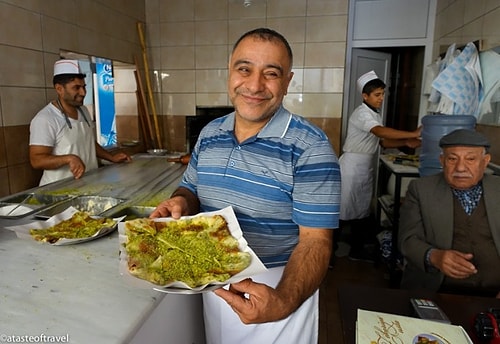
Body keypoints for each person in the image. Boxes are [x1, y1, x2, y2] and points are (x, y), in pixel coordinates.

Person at [150, 28, 341, 343]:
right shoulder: (210, 133)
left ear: (288, 81)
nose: (254, 85)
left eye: (271, 74)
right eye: (244, 69)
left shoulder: (311, 147)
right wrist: (181, 203)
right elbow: (191, 189)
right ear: (229, 72)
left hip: (276, 290)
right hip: (213, 281)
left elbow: (316, 242)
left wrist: (284, 300)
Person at [398, 129, 500, 298]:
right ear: (442, 161)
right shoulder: (421, 189)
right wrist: (434, 257)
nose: (460, 167)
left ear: (485, 161)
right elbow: (407, 239)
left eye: (470, 159)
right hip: (438, 291)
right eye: (452, 159)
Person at [339, 70, 421, 262]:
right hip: (352, 168)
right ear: (365, 96)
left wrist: (407, 143)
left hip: (364, 167)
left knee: (360, 210)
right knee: (343, 212)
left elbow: (382, 142)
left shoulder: (374, 114)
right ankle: (328, 253)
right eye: (377, 95)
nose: (381, 98)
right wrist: (411, 133)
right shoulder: (362, 114)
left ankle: (356, 251)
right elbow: (379, 132)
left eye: (383, 94)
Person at [29, 59, 131, 185]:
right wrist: (69, 159)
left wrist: (111, 158)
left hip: (86, 184)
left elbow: (87, 142)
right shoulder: (45, 119)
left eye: (83, 87)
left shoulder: (83, 111)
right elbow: (37, 160)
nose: (83, 93)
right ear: (59, 89)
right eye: (76, 88)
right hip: (58, 190)